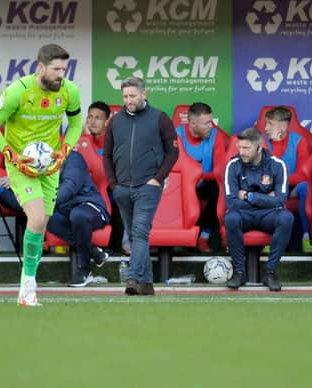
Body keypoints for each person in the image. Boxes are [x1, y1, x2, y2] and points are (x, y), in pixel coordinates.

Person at [0, 44, 82, 306]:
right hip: (21, 164)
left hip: (50, 165)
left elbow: (75, 124)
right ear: (41, 67)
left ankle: (27, 283)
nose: (61, 74)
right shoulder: (18, 91)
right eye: (56, 69)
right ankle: (28, 283)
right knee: (37, 219)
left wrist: (64, 151)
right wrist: (11, 156)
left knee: (40, 225)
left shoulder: (70, 91)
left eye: (64, 68)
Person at [103, 76, 178, 296]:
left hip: (148, 187)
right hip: (122, 188)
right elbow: (106, 155)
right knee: (135, 236)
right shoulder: (115, 121)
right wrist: (113, 184)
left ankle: (133, 278)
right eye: (125, 96)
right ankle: (146, 283)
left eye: (132, 95)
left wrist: (157, 179)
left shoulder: (160, 118)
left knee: (140, 233)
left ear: (144, 94)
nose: (128, 100)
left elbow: (173, 152)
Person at [224, 127, 294, 292]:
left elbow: (280, 201)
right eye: (239, 147)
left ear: (259, 147)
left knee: (286, 218)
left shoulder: (277, 165)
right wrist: (267, 198)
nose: (241, 152)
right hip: (244, 215)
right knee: (230, 218)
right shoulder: (233, 166)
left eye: (246, 148)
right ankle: (239, 272)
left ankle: (270, 272)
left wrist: (249, 197)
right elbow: (231, 202)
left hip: (268, 216)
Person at [47, 150, 110, 287]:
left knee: (78, 215)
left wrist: (45, 203)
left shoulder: (72, 157)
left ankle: (84, 269)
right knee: (44, 218)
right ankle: (94, 251)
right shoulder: (36, 163)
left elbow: (70, 186)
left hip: (89, 205)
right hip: (64, 209)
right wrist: (2, 191)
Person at [175, 102, 228, 252]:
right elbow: (172, 170)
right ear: (192, 123)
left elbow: (219, 169)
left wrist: (201, 177)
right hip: (181, 186)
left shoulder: (215, 136)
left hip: (205, 183)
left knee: (218, 188)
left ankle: (203, 237)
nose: (211, 126)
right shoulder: (176, 135)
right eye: (206, 123)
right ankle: (177, 238)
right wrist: (190, 180)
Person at [82, 101, 131, 255]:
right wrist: (85, 139)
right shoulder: (82, 141)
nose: (92, 121)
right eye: (90, 117)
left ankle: (117, 247)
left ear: (107, 121)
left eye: (98, 118)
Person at [263, 106, 310, 252]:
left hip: (292, 187)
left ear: (283, 126)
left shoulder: (298, 141)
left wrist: (279, 180)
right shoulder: (261, 142)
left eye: (270, 124)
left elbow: (303, 174)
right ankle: (268, 239)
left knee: (305, 187)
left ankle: (307, 238)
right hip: (269, 187)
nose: (265, 128)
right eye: (266, 123)